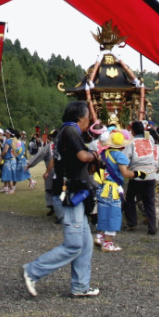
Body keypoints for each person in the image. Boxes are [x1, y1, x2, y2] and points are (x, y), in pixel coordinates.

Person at [21, 100, 99, 299]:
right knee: (74, 244)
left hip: (72, 192)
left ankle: (81, 286)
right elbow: (82, 156)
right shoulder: (71, 131)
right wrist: (95, 155)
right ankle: (32, 271)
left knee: (86, 243)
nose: (89, 119)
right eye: (88, 116)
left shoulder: (65, 132)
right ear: (80, 117)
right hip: (70, 193)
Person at [93, 130, 134, 252]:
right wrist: (138, 173)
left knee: (103, 211)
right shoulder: (120, 156)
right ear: (122, 145)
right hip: (113, 188)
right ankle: (108, 243)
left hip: (102, 187)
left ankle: (100, 236)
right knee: (114, 214)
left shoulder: (103, 153)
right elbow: (125, 173)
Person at [123, 120, 159, 236]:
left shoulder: (131, 142)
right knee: (149, 201)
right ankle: (152, 226)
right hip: (151, 173)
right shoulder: (150, 140)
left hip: (137, 174)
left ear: (133, 131)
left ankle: (132, 222)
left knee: (130, 198)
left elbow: (126, 158)